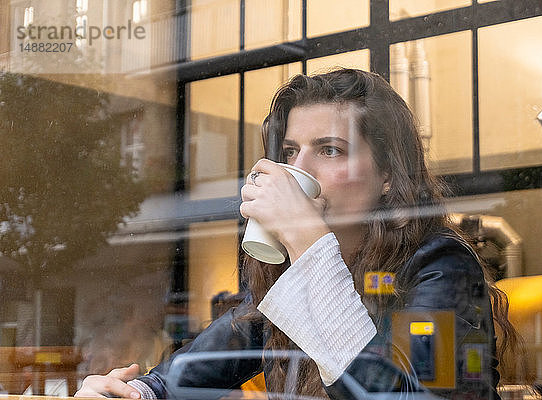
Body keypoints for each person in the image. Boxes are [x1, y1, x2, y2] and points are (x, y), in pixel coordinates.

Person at [75, 68, 516, 400]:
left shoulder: (438, 263)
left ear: (387, 175)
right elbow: (204, 363)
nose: (298, 170)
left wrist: (307, 239)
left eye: (329, 149)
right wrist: (135, 392)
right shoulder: (293, 276)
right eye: (290, 151)